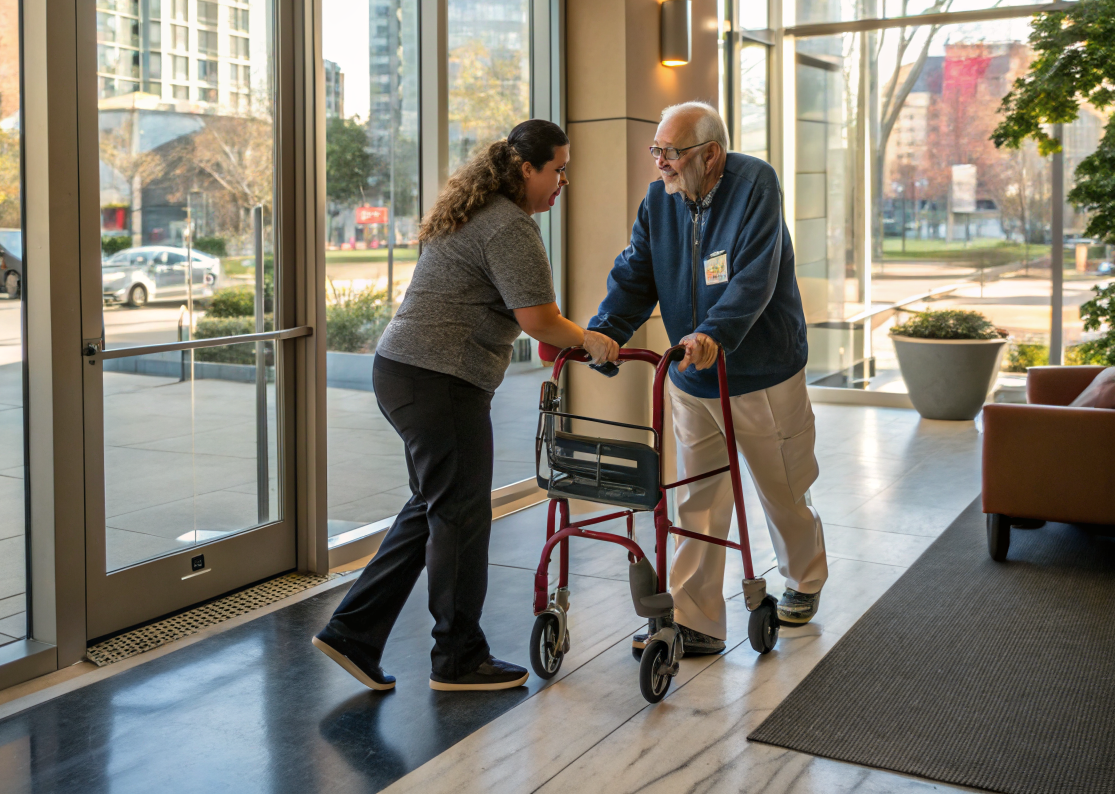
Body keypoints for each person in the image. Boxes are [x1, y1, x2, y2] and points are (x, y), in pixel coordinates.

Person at [313, 119, 620, 692]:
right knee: (460, 514)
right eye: (558, 169)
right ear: (526, 169)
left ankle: (351, 633)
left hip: (404, 372)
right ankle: (457, 658)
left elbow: (528, 319)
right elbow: (539, 321)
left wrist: (574, 338)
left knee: (434, 506)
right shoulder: (509, 227)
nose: (563, 182)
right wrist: (592, 339)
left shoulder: (478, 215)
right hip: (439, 380)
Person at [588, 101, 827, 657]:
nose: (659, 164)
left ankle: (804, 577)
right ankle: (696, 618)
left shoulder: (755, 186)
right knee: (699, 496)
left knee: (783, 487)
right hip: (693, 377)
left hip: (761, 372)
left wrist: (716, 331)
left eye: (670, 153)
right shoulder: (659, 202)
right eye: (656, 152)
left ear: (711, 154)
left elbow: (755, 275)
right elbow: (634, 274)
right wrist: (608, 330)